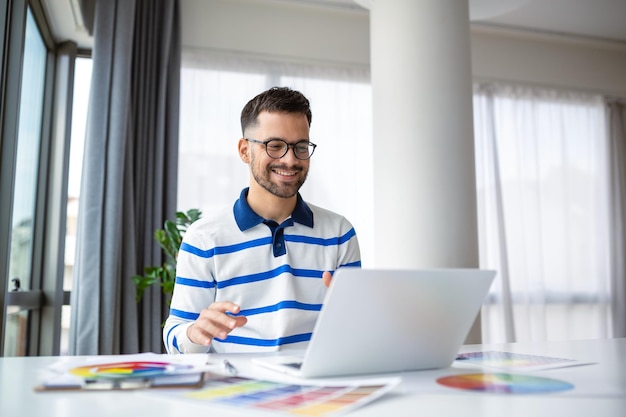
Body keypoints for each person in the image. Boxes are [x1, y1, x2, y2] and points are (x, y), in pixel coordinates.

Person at [163, 87, 361, 354]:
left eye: (301, 147)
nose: (290, 160)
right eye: (275, 146)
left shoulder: (339, 233)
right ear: (245, 151)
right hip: (234, 388)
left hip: (314, 388)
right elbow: (176, 332)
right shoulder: (204, 238)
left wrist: (356, 317)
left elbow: (354, 335)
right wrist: (194, 333)